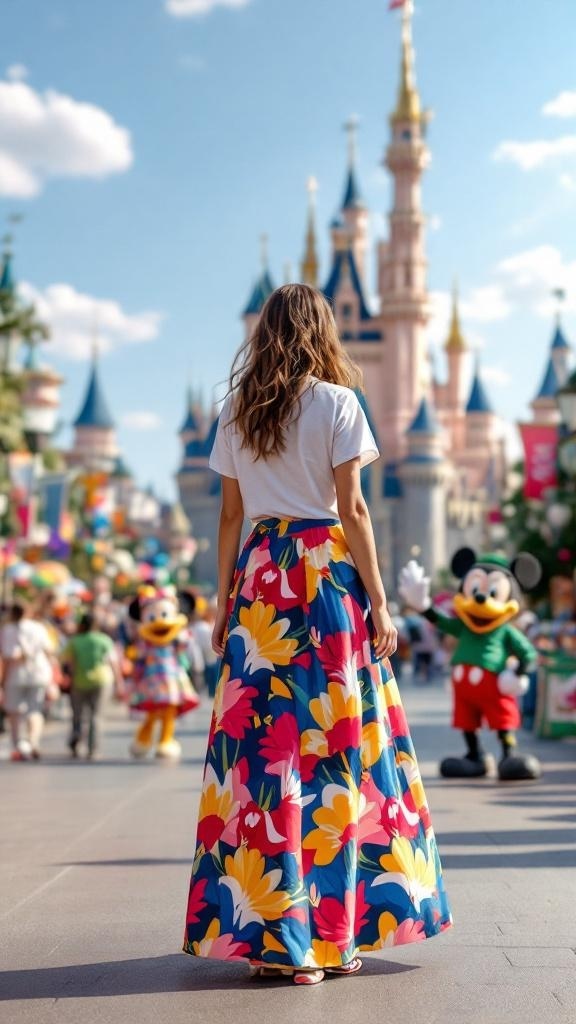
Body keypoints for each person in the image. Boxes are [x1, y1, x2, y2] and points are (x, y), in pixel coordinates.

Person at [182, 285, 452, 985]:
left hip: (262, 579)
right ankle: (329, 941)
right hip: (325, 577)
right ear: (323, 332)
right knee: (334, 748)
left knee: (263, 759)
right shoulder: (338, 403)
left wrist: (223, 600)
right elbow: (354, 507)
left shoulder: (239, 410)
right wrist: (382, 601)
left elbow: (228, 517)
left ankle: (273, 938)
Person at [62, 612, 124, 760]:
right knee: (96, 716)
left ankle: (77, 740)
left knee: (78, 715)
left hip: (80, 680)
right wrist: (119, 682)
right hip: (102, 680)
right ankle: (93, 749)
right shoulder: (104, 640)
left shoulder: (75, 641)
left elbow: (68, 661)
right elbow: (113, 663)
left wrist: (71, 676)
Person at [0, 602, 55, 760]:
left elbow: (7, 656)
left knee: (14, 712)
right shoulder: (38, 628)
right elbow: (49, 649)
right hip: (38, 673)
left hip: (15, 675)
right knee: (35, 709)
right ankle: (33, 741)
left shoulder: (8, 630)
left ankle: (18, 744)